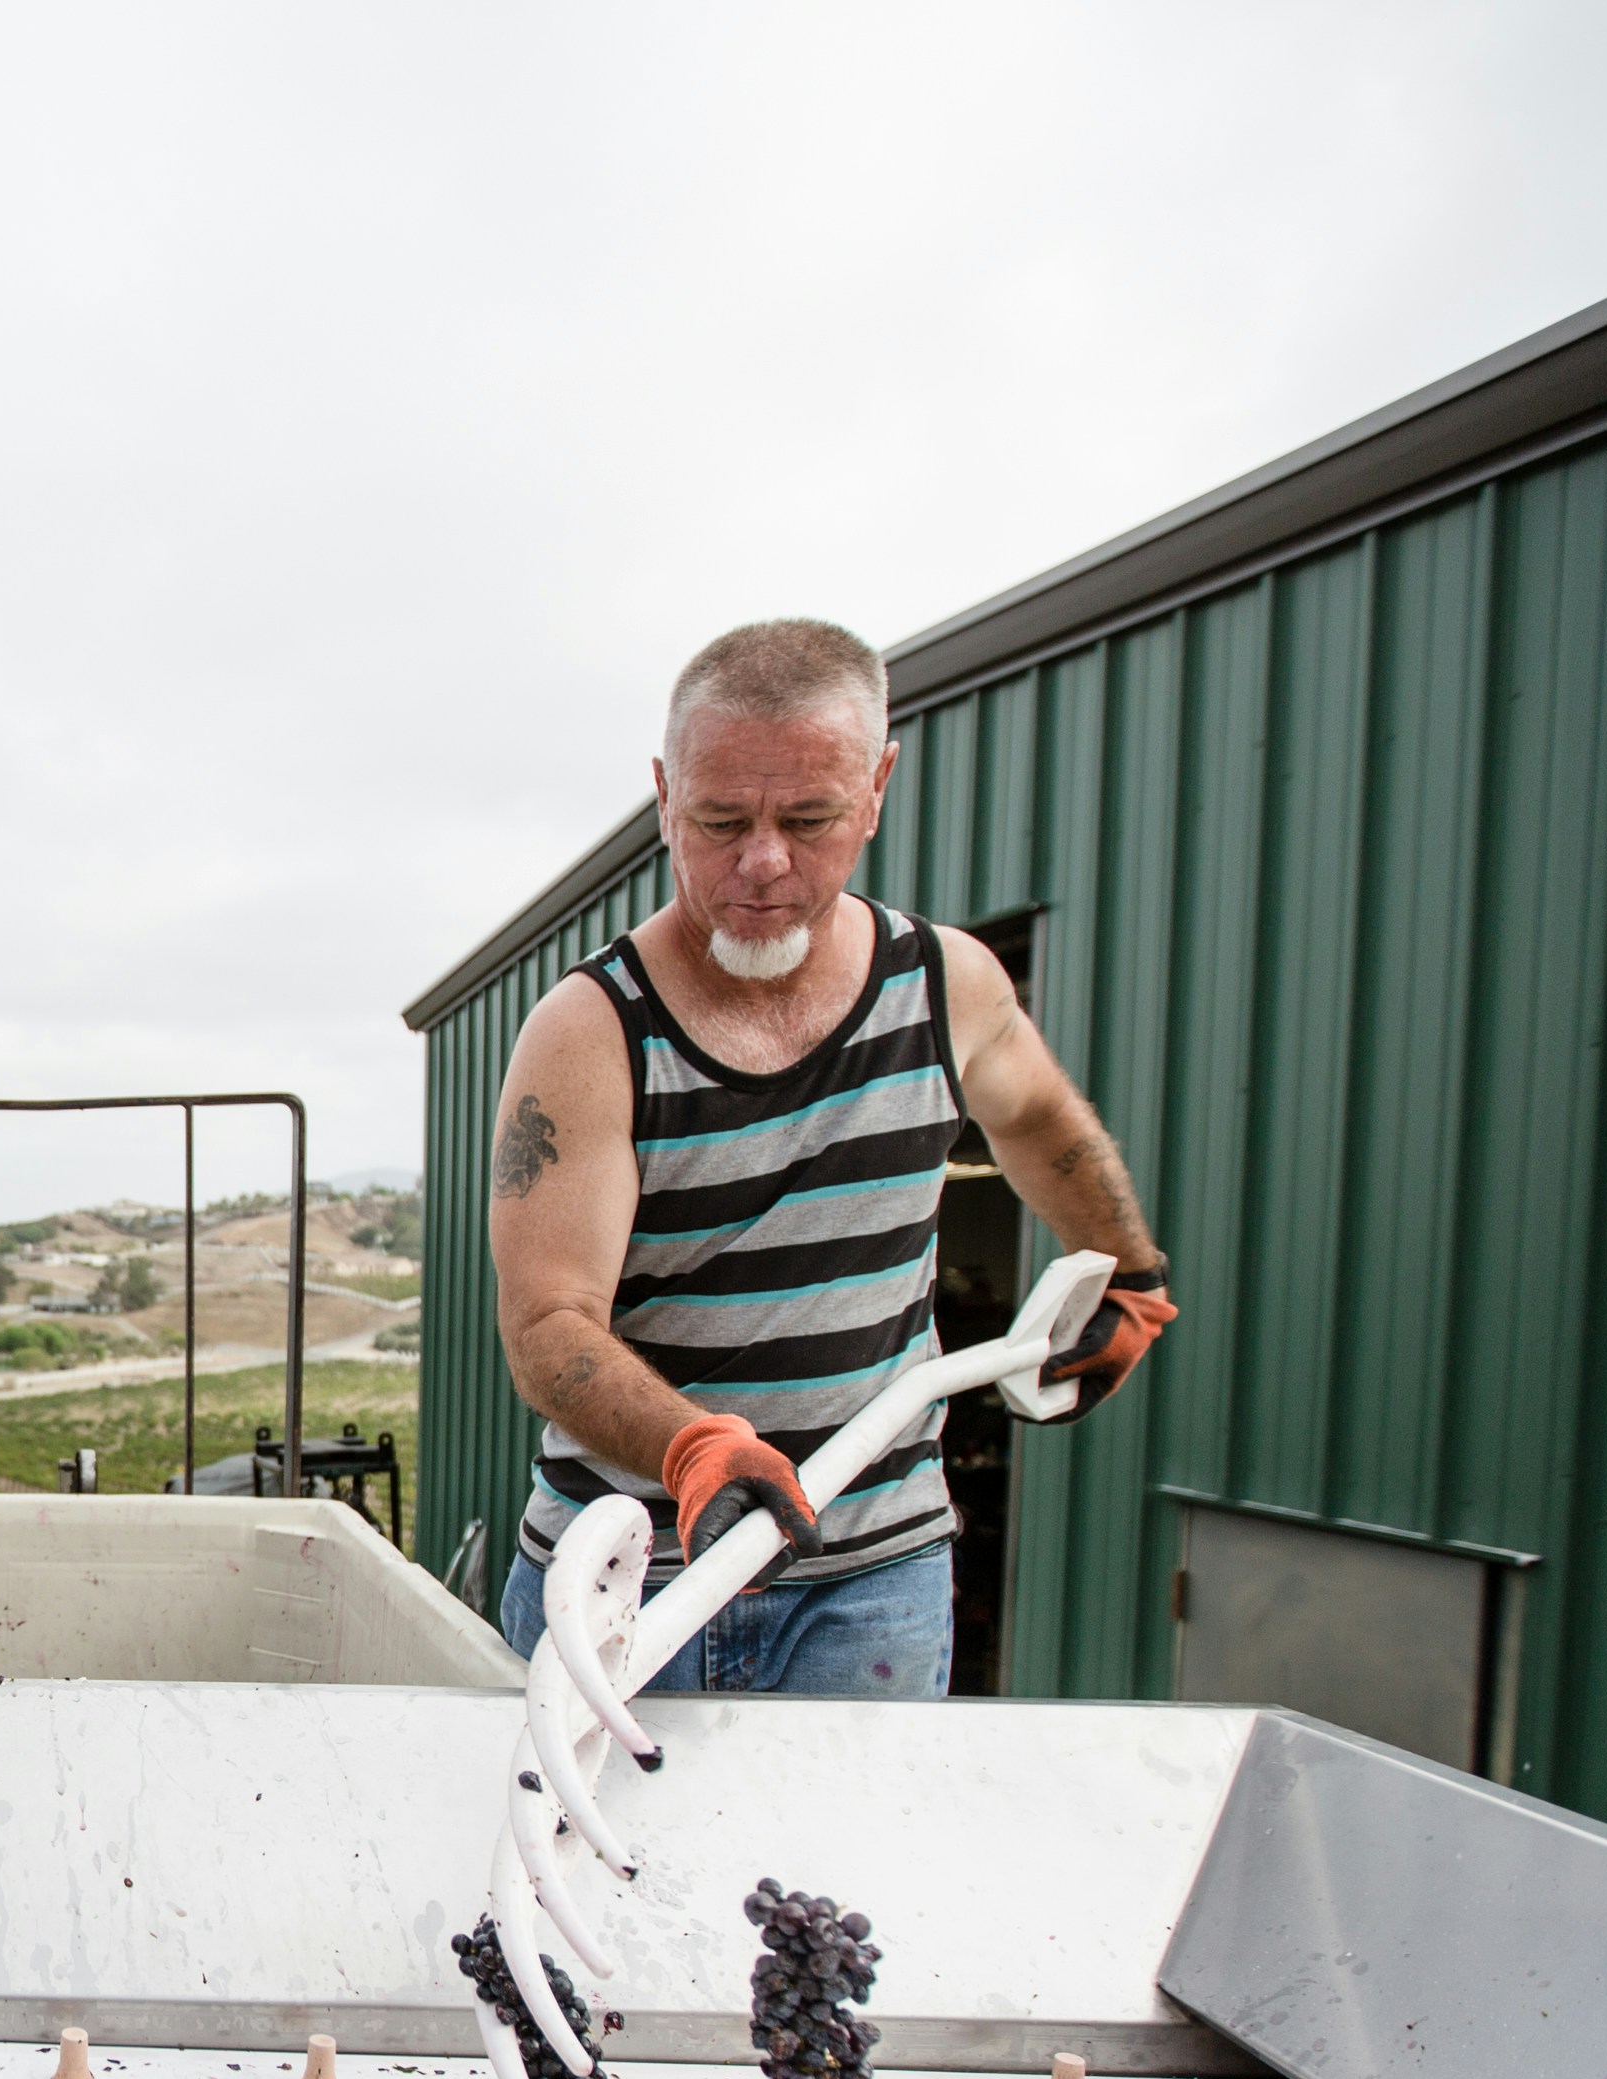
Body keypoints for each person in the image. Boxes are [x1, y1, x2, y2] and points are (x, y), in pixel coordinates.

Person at [489, 620, 1171, 1695]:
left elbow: (1036, 1120)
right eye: (720, 819)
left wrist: (1129, 1268)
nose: (762, 863)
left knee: (837, 1871)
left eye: (807, 819)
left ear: (877, 787)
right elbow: (546, 1325)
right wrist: (693, 1449)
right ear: (664, 794)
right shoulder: (591, 1032)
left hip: (871, 1589)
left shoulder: (947, 984)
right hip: (629, 1586)